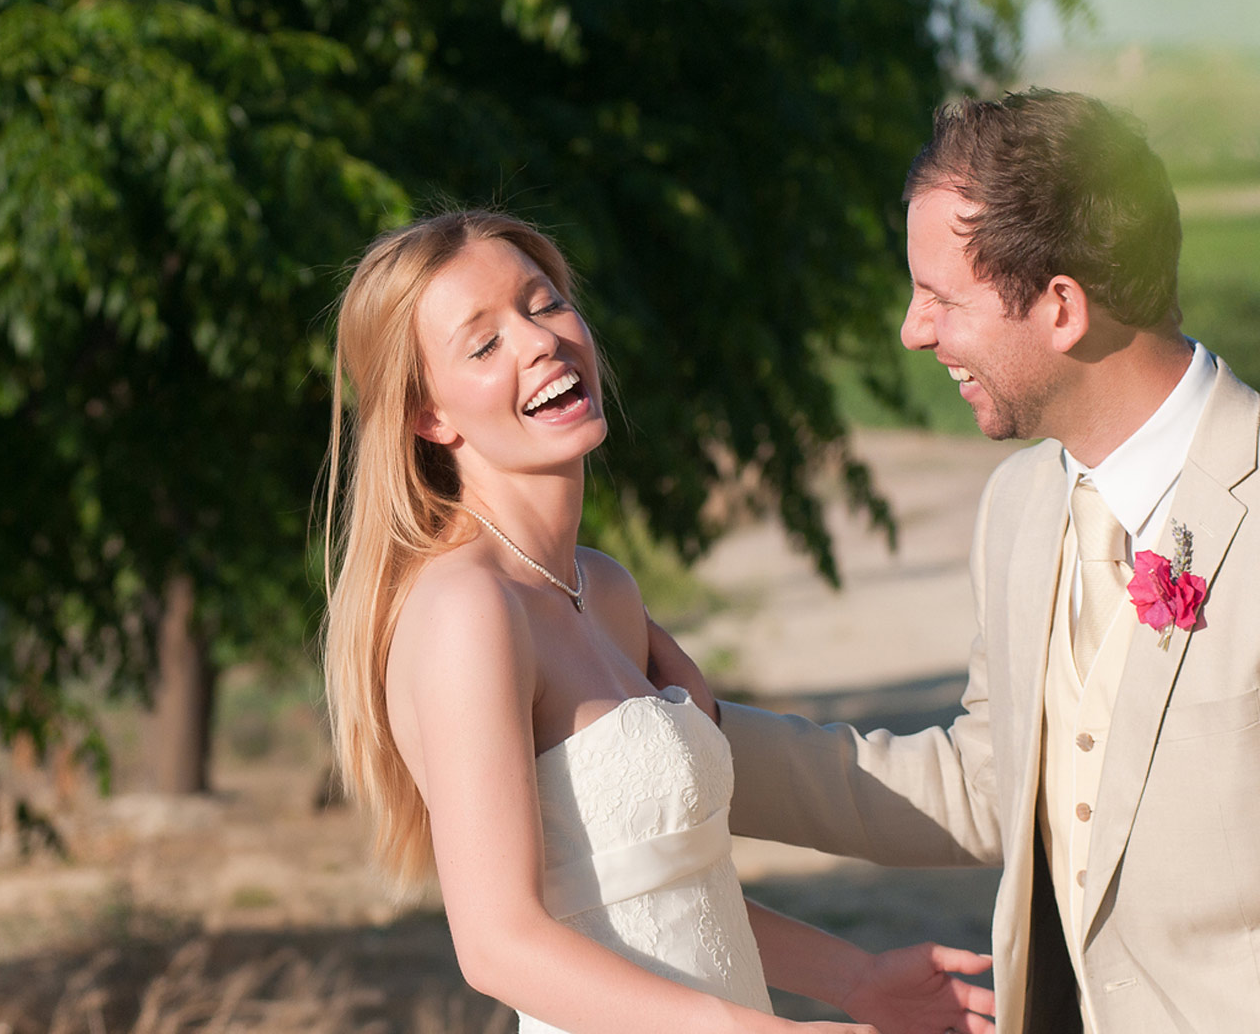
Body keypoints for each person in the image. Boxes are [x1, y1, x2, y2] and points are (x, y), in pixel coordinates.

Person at [321, 210, 996, 1033]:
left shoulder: (602, 588)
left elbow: (665, 889)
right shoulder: (467, 611)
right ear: (430, 416)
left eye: (543, 304)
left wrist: (855, 979)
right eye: (484, 343)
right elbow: (497, 944)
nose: (538, 342)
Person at [684, 89, 1260, 1033]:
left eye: (941, 298)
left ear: (1062, 308)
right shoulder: (1021, 508)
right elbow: (994, 784)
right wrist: (691, 738)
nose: (913, 331)